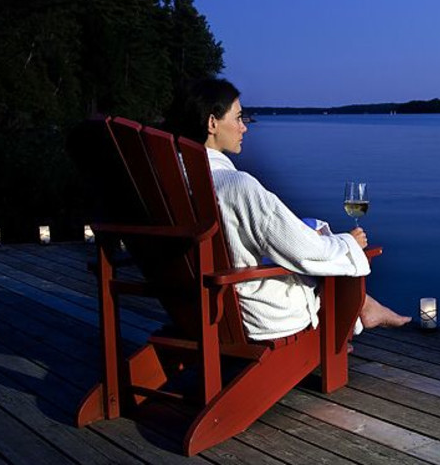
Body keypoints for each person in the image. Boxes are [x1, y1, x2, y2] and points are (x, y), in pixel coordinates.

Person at [166, 78, 410, 341]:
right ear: (212, 123)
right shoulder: (235, 186)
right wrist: (348, 242)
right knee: (327, 251)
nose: (244, 128)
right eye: (238, 118)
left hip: (188, 302)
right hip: (247, 311)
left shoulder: (169, 178)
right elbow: (305, 252)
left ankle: (366, 305)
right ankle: (355, 315)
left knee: (309, 233)